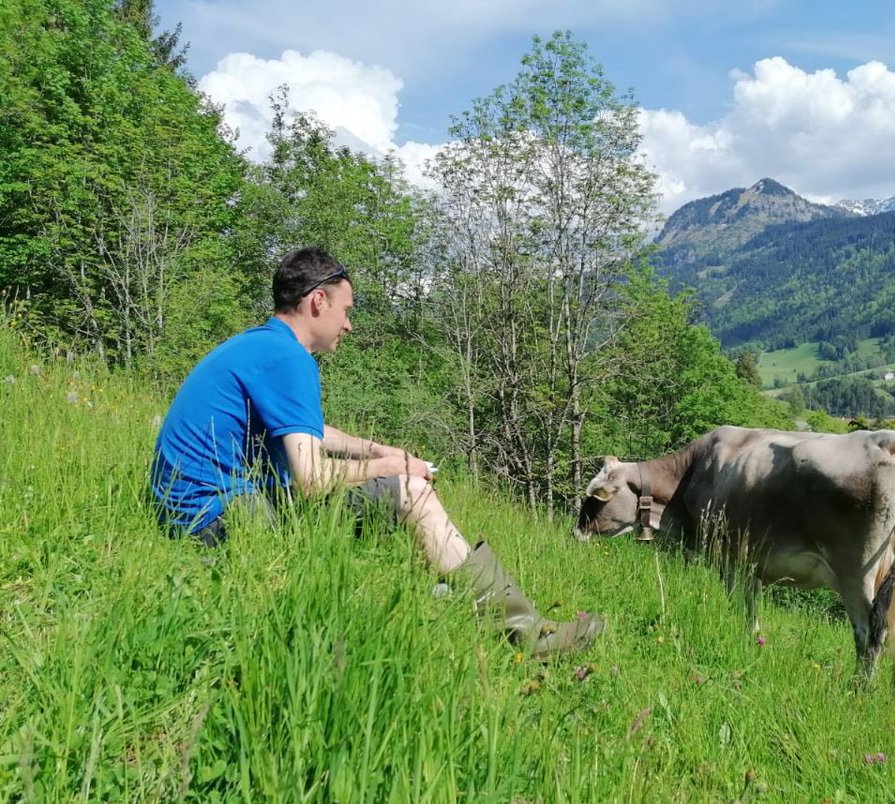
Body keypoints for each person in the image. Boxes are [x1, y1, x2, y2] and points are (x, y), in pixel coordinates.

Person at [150, 246, 604, 658]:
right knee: (410, 493)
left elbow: (308, 428)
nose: (349, 324)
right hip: (220, 521)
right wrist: (390, 466)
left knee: (391, 489)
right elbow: (310, 479)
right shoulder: (290, 359)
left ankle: (450, 603)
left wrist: (374, 448)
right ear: (318, 302)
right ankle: (528, 637)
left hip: (192, 511)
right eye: (346, 310)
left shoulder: (259, 346)